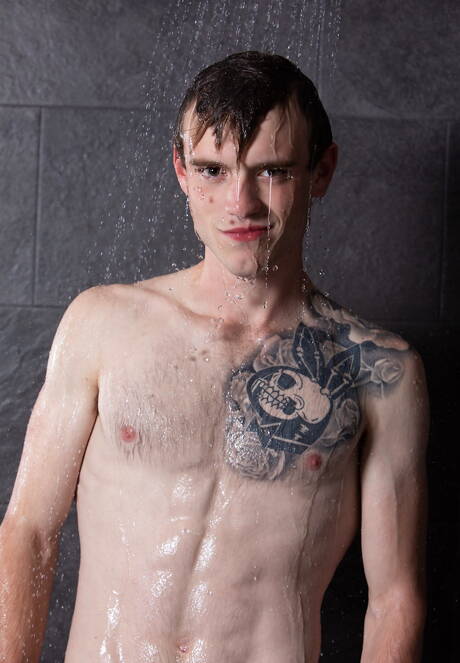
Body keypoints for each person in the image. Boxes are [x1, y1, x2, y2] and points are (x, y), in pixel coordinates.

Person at [0, 51, 428, 663]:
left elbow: (393, 600)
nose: (240, 203)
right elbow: (30, 533)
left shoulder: (378, 372)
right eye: (212, 170)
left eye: (272, 171)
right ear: (181, 169)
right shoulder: (103, 324)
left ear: (321, 171)